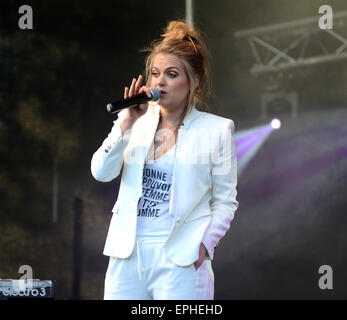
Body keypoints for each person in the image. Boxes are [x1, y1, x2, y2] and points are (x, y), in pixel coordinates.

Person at [91, 20, 238, 300]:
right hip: (127, 254)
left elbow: (226, 200)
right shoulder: (134, 119)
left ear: (194, 81)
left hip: (180, 258)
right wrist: (126, 125)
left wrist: (206, 244)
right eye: (155, 73)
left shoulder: (217, 129)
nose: (160, 81)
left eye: (171, 74)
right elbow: (100, 171)